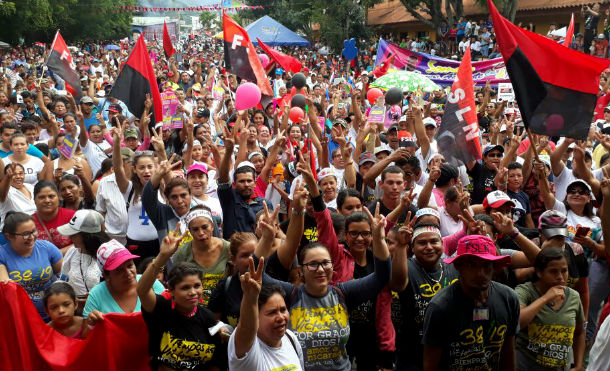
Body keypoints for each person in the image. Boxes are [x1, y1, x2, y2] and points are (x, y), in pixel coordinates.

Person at [262, 203, 392, 371]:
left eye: (325, 263)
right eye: (313, 264)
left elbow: (381, 277)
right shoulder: (291, 294)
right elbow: (257, 277)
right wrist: (266, 239)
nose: (321, 269)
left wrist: (379, 240)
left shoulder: (342, 293)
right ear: (301, 271)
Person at [422, 235, 520, 371]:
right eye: (472, 265)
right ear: (458, 266)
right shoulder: (440, 307)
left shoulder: (509, 299)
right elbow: (430, 365)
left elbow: (508, 353)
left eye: (486, 265)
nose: (480, 273)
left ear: (494, 268)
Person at [137, 225, 225, 371]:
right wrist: (162, 257)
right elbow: (142, 290)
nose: (193, 292)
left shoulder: (208, 317)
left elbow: (216, 363)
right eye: (185, 288)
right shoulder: (161, 310)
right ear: (171, 290)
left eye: (197, 286)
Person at [395, 224, 459, 371]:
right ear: (412, 247)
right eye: (422, 243)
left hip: (451, 351)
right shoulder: (407, 267)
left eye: (434, 242)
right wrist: (400, 245)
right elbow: (398, 283)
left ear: (442, 244)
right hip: (413, 354)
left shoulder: (453, 267)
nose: (429, 247)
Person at [515, 247, 585, 371]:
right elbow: (517, 322)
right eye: (553, 271)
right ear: (539, 272)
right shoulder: (525, 291)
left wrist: (579, 365)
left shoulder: (574, 297)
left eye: (564, 271)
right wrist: (545, 298)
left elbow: (579, 332)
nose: (560, 277)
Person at [228, 259, 304, 371]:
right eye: (272, 312)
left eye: (283, 310)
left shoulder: (290, 338)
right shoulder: (246, 347)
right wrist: (251, 297)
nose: (281, 317)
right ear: (256, 317)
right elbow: (247, 326)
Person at [0, 212, 63, 320]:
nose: (31, 237)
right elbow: (4, 282)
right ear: (8, 236)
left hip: (53, 314)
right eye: (25, 234)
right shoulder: (2, 254)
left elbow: (64, 275)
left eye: (33, 231)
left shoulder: (47, 248)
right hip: (22, 319)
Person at [82, 239, 164, 317]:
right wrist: (91, 322)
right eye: (119, 270)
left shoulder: (152, 283)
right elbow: (87, 330)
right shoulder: (96, 296)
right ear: (106, 275)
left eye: (130, 266)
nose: (128, 273)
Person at [172, 207, 230, 305]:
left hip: (224, 307)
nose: (201, 233)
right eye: (195, 229)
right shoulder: (182, 253)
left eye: (204, 227)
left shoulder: (228, 248)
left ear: (212, 226)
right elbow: (176, 285)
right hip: (194, 309)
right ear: (189, 231)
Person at [57, 209, 109, 301]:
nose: (70, 237)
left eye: (74, 234)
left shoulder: (109, 254)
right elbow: (63, 280)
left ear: (87, 236)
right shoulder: (72, 252)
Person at [31, 181, 76, 254]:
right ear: (34, 200)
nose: (47, 201)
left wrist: (55, 255)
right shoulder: (28, 223)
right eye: (42, 197)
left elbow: (81, 244)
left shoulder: (73, 216)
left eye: (51, 196)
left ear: (59, 197)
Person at [0, 163, 36, 231]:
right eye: (14, 174)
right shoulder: (6, 191)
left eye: (21, 173)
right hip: (12, 233)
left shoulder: (31, 187)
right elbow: (2, 194)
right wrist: (8, 176)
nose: (18, 176)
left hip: (34, 230)